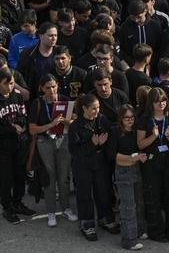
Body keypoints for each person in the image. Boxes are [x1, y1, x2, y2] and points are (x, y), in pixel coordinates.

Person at [28, 73, 77, 227]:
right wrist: (50, 125)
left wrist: (66, 121)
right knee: (49, 179)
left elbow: (75, 121)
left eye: (54, 86)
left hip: (63, 140)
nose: (51, 90)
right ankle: (50, 211)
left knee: (64, 178)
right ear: (42, 88)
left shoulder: (65, 100)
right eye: (48, 87)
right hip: (45, 141)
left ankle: (66, 208)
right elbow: (32, 129)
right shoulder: (37, 103)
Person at [68, 93, 115, 241]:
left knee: (103, 192)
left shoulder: (102, 120)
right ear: (84, 109)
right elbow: (75, 151)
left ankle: (105, 219)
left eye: (98, 108)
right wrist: (93, 144)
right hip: (83, 164)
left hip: (100, 161)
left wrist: (102, 144)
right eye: (93, 109)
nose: (97, 111)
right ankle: (86, 224)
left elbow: (110, 139)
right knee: (84, 195)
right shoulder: (75, 126)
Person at [136, 87, 169, 242]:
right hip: (151, 163)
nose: (161, 104)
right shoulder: (144, 119)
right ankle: (156, 232)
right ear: (151, 103)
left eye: (163, 101)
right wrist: (154, 137)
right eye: (157, 101)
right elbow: (140, 144)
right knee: (153, 198)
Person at [108, 104, 148, 251]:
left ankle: (138, 231)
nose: (130, 120)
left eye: (132, 117)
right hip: (123, 170)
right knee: (127, 207)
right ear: (121, 118)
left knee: (138, 202)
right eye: (126, 117)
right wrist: (132, 158)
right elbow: (112, 154)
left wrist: (138, 158)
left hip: (136, 168)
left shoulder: (136, 131)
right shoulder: (115, 132)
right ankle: (129, 240)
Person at [0, 68, 35, 225]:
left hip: (20, 143)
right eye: (5, 84)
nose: (9, 87)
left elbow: (23, 114)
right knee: (6, 179)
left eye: (12, 83)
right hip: (3, 147)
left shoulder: (17, 96)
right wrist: (11, 128)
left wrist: (20, 125)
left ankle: (18, 203)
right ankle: (7, 208)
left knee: (20, 175)